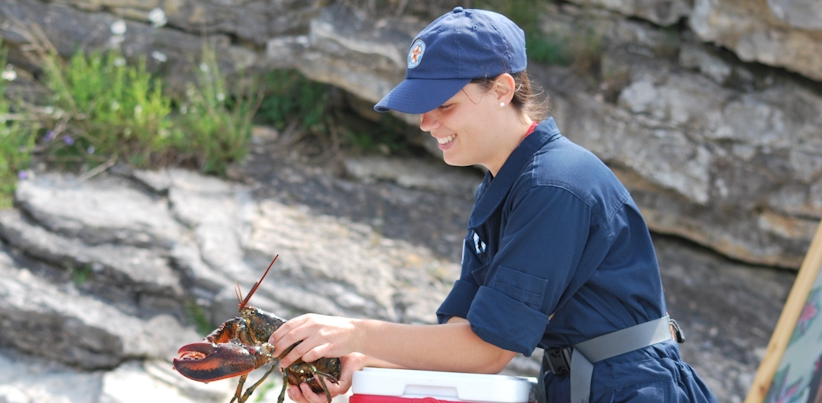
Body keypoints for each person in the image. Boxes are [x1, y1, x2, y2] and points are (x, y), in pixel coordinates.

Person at [269, 7, 717, 403]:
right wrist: (360, 365)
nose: (426, 124)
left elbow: (487, 352)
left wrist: (356, 331)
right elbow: (462, 339)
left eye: (443, 105)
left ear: (502, 88)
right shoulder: (506, 184)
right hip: (582, 384)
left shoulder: (555, 186)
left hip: (632, 388)